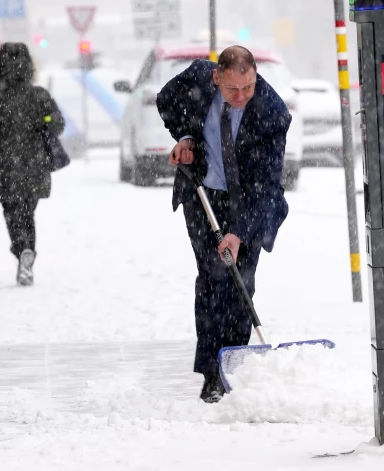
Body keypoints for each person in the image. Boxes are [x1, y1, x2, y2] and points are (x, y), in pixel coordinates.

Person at [156, 46, 291, 403]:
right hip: (203, 195)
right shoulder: (198, 78)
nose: (242, 96)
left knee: (240, 281)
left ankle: (232, 363)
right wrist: (184, 137)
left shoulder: (272, 112)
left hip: (249, 202)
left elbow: (266, 183)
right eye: (233, 89)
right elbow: (166, 99)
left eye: (248, 87)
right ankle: (212, 372)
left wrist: (237, 232)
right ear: (217, 78)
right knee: (213, 278)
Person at [0, 43, 65, 286]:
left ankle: (22, 248)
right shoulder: (39, 95)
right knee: (27, 211)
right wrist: (43, 120)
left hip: (5, 165)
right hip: (35, 165)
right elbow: (57, 124)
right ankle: (27, 252)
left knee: (13, 211)